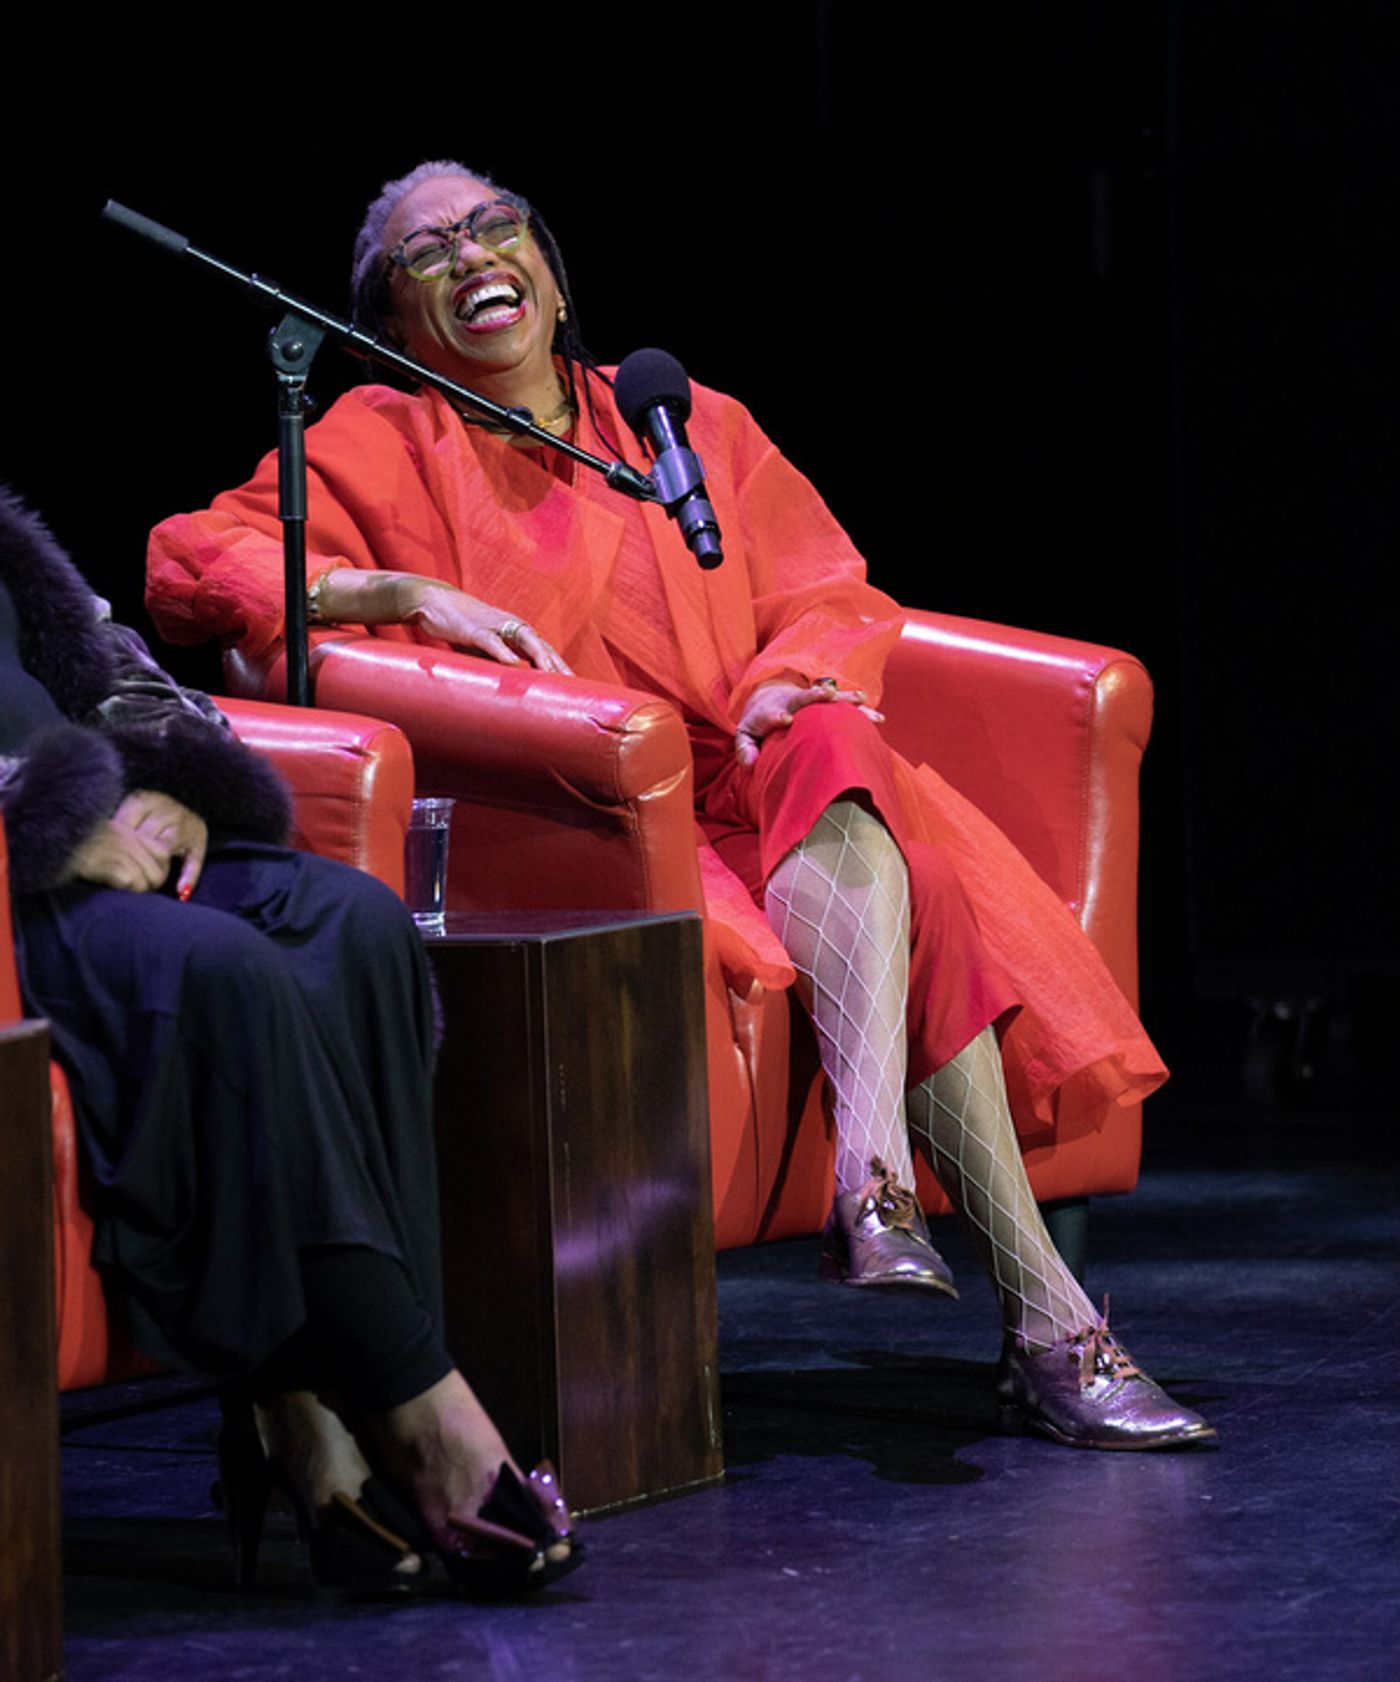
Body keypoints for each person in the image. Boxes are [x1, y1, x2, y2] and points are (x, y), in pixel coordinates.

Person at [148, 160, 1215, 1451]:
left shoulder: (680, 420)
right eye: (429, 252)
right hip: (592, 819)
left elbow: (829, 590)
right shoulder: (378, 439)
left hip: (761, 781)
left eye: (497, 228)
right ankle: (1043, 1323)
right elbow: (198, 557)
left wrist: (782, 684)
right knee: (927, 891)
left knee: (828, 725)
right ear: (393, 316)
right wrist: (397, 594)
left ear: (547, 265)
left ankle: (879, 1180)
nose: (473, 255)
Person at [0, 482, 579, 1592]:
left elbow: (111, 672)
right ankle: (420, 1415)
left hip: (94, 836)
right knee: (223, 972)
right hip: (16, 894)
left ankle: (311, 1423)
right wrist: (38, 823)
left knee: (351, 922)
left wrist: (174, 790)